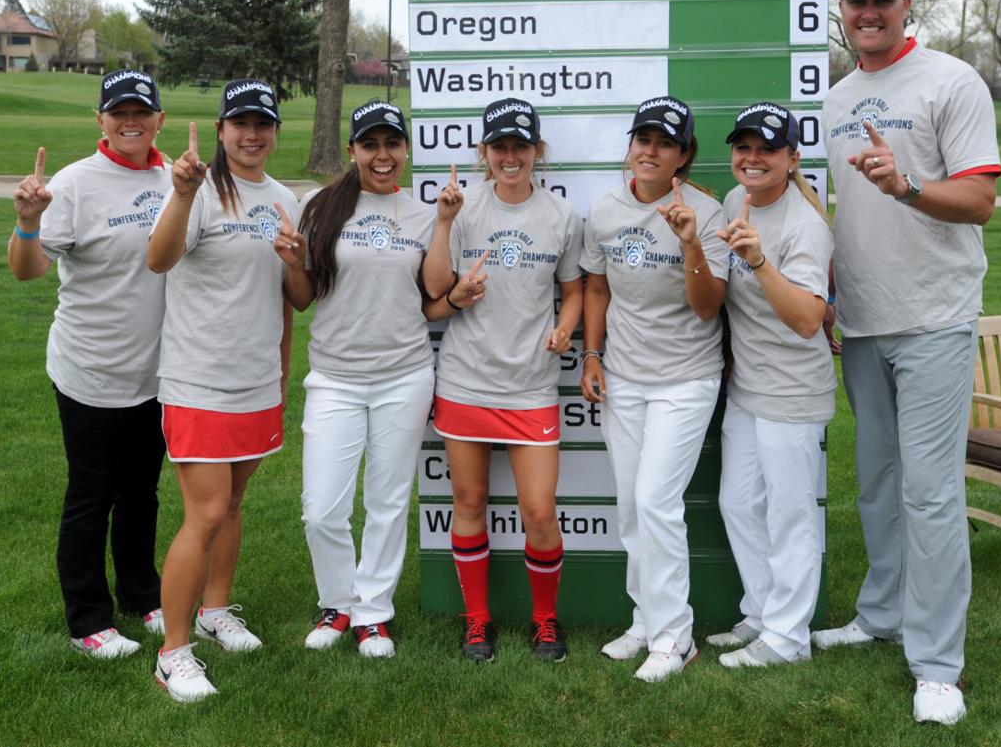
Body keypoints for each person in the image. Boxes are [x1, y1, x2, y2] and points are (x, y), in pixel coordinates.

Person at [813, 0, 1001, 726]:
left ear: (905, 5)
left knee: (930, 494)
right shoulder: (836, 98)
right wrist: (827, 288)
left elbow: (981, 198)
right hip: (862, 319)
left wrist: (910, 186)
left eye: (881, 0)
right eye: (856, 0)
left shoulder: (952, 81)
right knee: (880, 484)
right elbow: (841, 212)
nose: (868, 12)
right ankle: (881, 614)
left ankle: (937, 665)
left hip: (934, 317)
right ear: (846, 8)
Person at [146, 79, 300, 702]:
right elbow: (158, 259)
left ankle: (215, 611)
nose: (252, 134)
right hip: (198, 381)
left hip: (257, 382)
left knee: (233, 506)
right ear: (220, 130)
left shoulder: (286, 197)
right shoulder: (197, 189)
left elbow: (295, 301)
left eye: (262, 124)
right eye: (239, 124)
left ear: (274, 133)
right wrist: (182, 195)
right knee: (205, 513)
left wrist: (296, 262)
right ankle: (172, 652)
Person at [8, 69, 170, 659]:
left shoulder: (171, 176)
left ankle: (141, 595)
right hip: (90, 369)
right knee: (91, 493)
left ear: (159, 119)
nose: (131, 121)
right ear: (100, 120)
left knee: (141, 493)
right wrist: (28, 221)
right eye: (118, 111)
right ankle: (88, 619)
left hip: (155, 373)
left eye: (141, 111)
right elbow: (28, 271)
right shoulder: (75, 184)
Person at [274, 101, 444, 659]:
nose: (382, 156)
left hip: (404, 375)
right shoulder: (319, 207)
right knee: (321, 506)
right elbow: (301, 300)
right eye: (370, 145)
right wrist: (294, 263)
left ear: (405, 151)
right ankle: (336, 602)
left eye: (392, 144)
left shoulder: (423, 214)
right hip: (336, 377)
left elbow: (433, 296)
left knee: (389, 502)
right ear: (352, 151)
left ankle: (372, 613)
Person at [423, 97, 584, 664]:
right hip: (466, 380)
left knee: (540, 513)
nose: (510, 157)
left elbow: (575, 289)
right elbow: (435, 287)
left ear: (538, 152)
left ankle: (545, 621)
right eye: (500, 147)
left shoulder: (561, 217)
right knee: (468, 503)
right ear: (483, 153)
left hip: (531, 386)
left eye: (521, 146)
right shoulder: (462, 208)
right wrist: (443, 223)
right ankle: (477, 621)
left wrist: (566, 327)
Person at [578, 96, 728, 683]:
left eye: (665, 142)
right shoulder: (606, 210)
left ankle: (675, 639)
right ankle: (646, 620)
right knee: (631, 505)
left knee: (657, 504)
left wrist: (690, 242)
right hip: (624, 376)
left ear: (682, 156)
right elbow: (597, 289)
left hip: (686, 378)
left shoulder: (706, 214)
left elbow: (708, 307)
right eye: (643, 139)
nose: (650, 150)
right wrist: (592, 354)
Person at [702, 103, 835, 670]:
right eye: (744, 147)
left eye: (767, 149)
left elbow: (807, 319)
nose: (752, 159)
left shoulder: (806, 224)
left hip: (793, 393)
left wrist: (759, 261)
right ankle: (762, 611)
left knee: (790, 515)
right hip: (750, 388)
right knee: (737, 503)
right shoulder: (737, 201)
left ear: (792, 158)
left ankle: (788, 638)